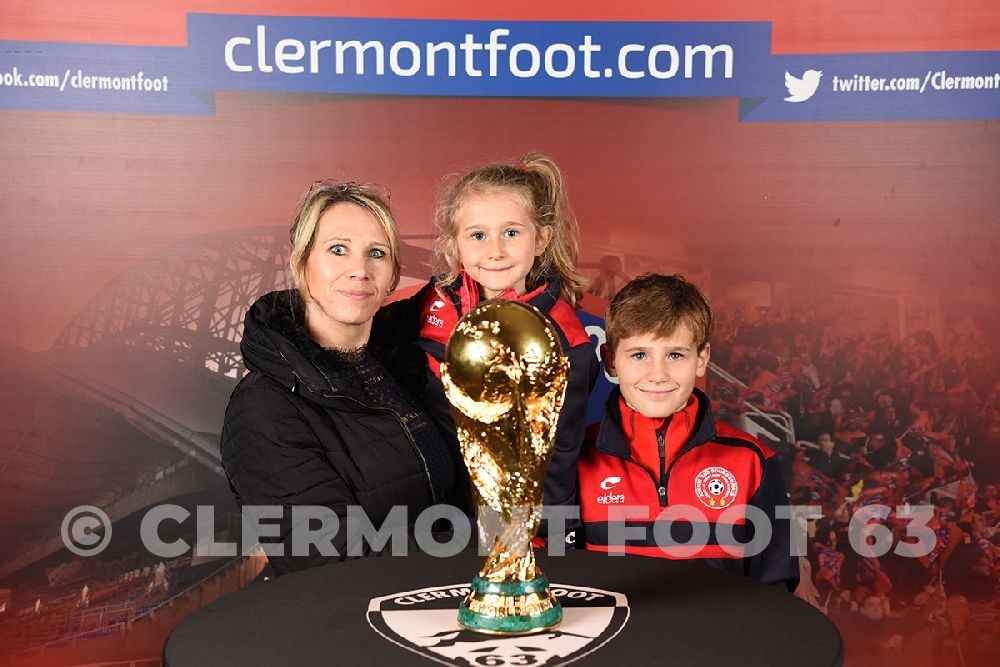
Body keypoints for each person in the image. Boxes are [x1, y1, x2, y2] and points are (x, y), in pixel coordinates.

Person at [220, 182, 459, 575]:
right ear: (302, 263)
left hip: (443, 608)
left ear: (393, 273)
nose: (360, 270)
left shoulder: (407, 365)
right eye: (337, 249)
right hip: (352, 625)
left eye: (376, 254)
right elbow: (334, 564)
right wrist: (484, 546)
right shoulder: (263, 406)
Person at [576, 274, 799, 591]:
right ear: (611, 361)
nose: (658, 375)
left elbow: (775, 592)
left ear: (702, 358)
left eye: (675, 355)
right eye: (639, 355)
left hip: (720, 641)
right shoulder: (576, 460)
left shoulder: (752, 462)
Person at [417, 152, 598, 537]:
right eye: (478, 235)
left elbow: (557, 458)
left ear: (542, 239)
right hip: (432, 520)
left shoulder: (565, 340)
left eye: (511, 233)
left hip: (518, 529)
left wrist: (546, 541)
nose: (495, 250)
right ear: (455, 244)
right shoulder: (421, 313)